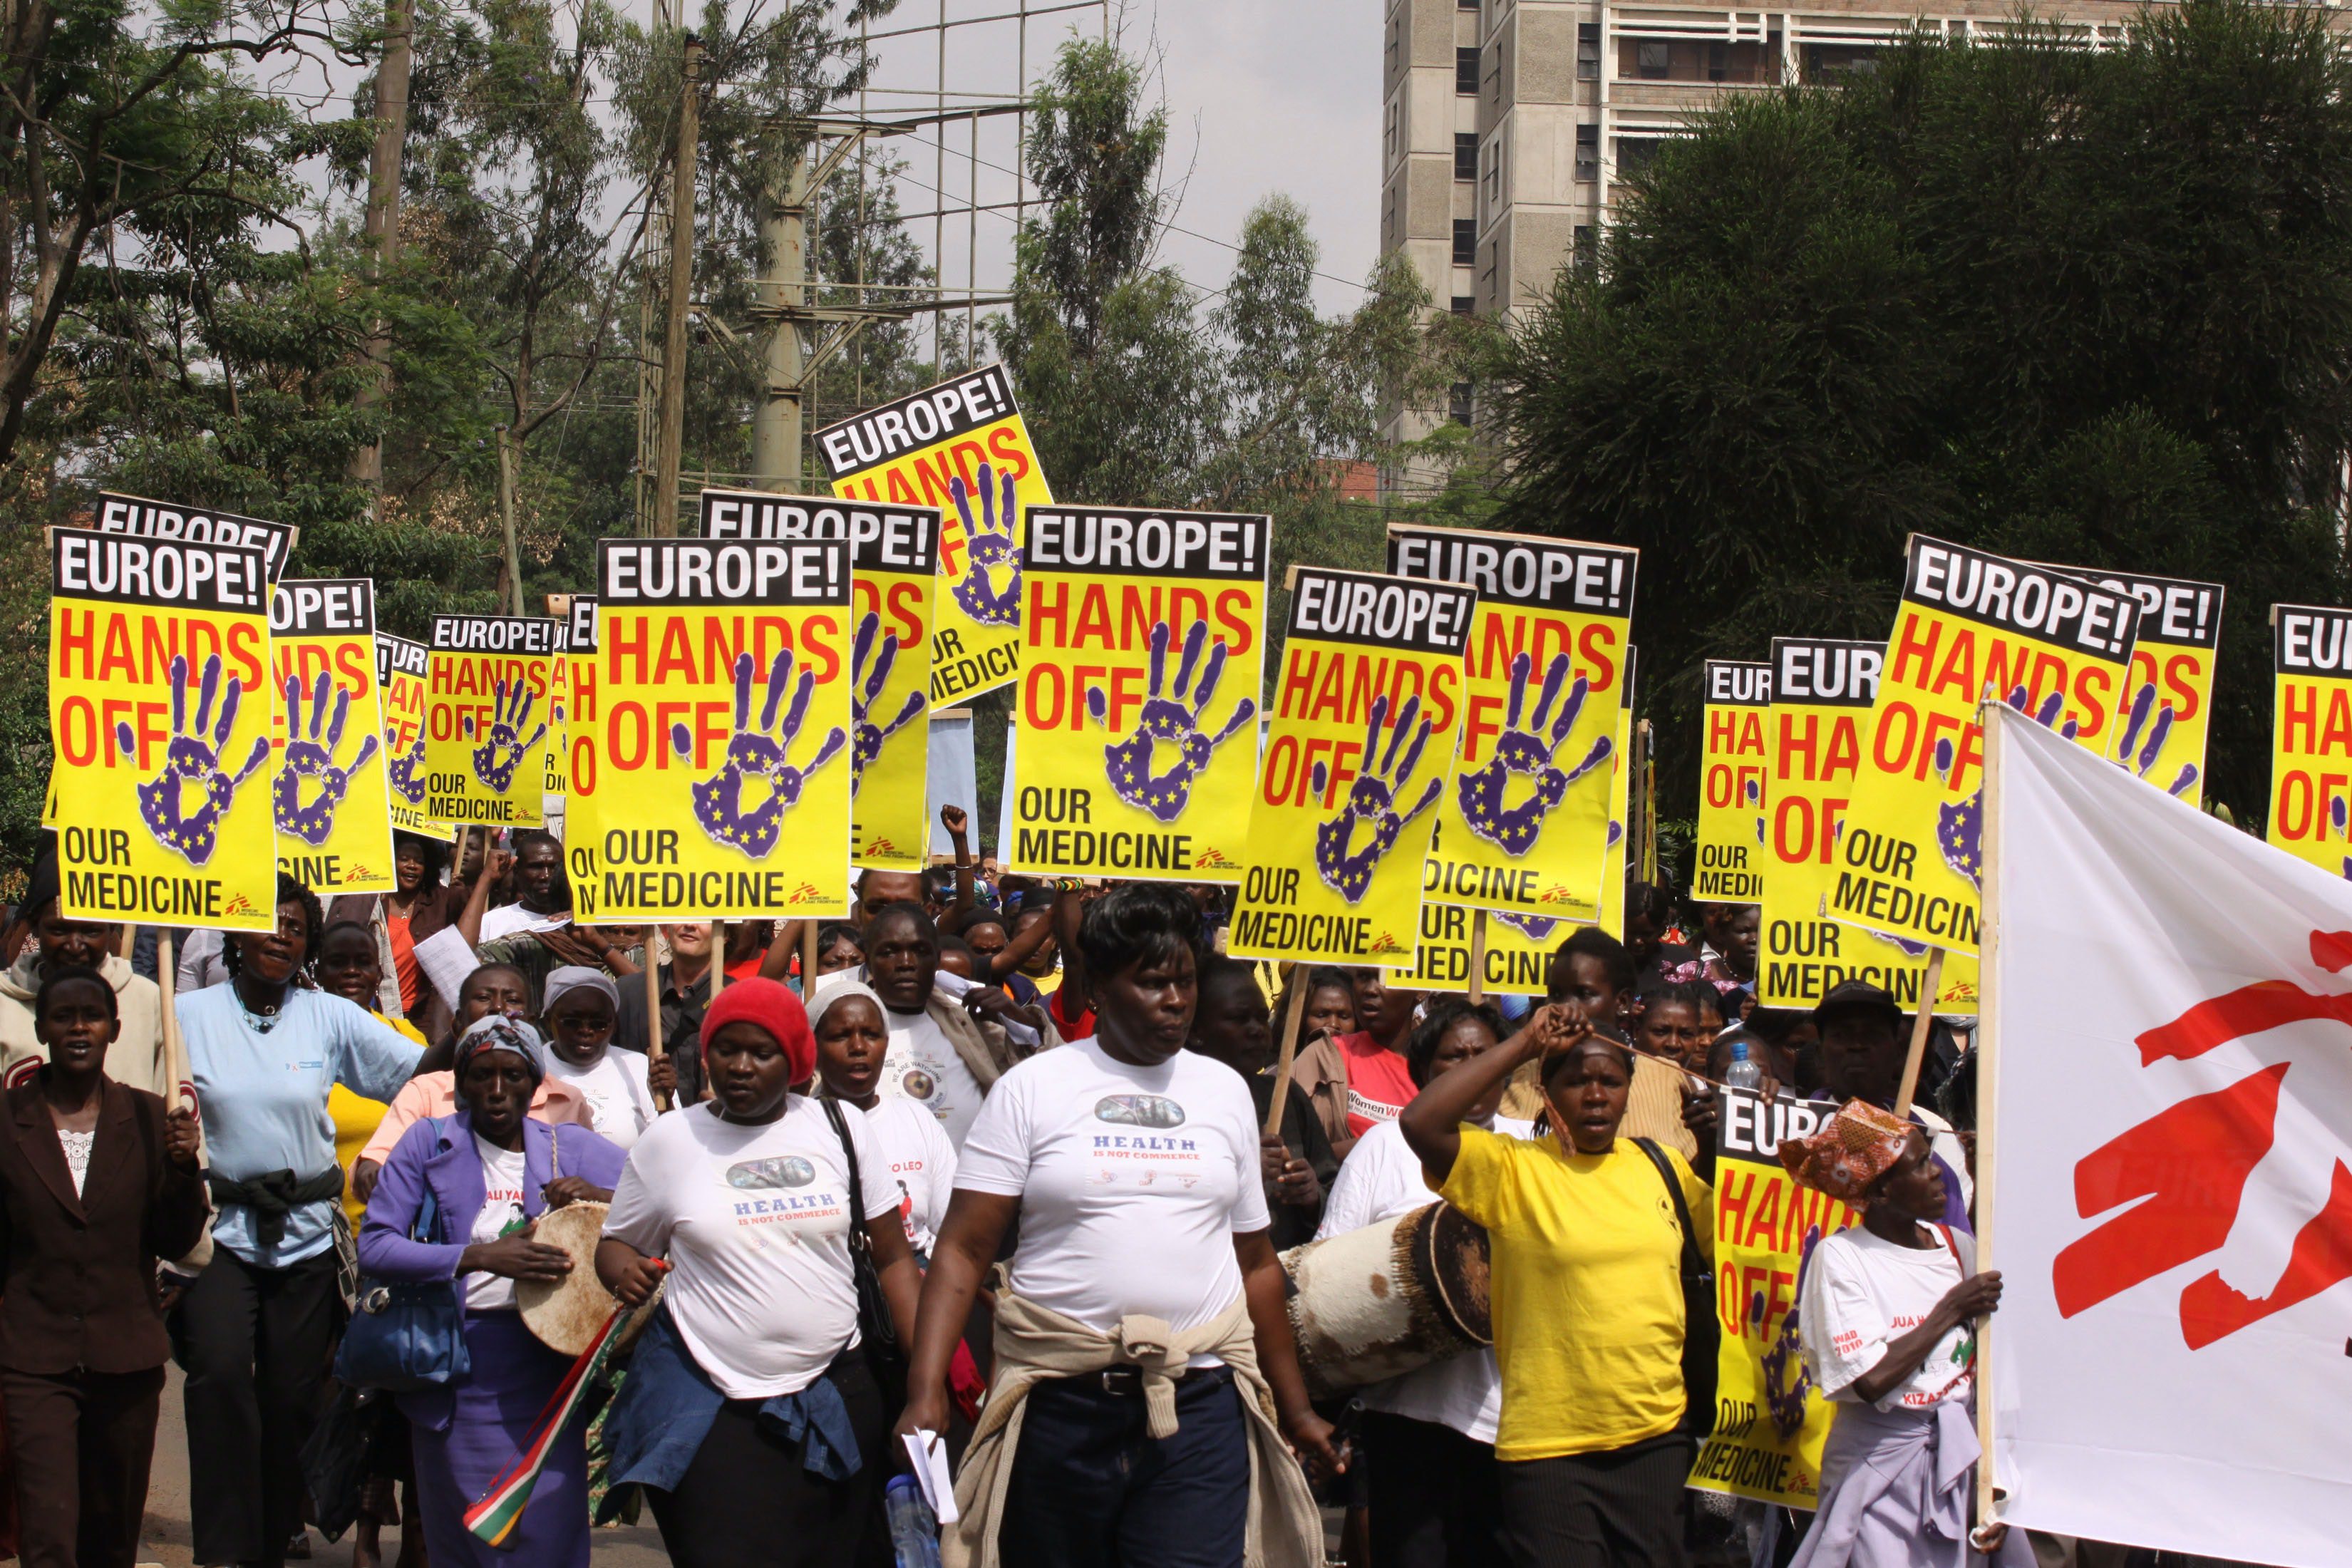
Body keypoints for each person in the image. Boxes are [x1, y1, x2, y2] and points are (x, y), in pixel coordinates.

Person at [895, 883, 1337, 1568]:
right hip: (1061, 1408)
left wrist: (1297, 1407)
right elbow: (962, 1248)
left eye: (1185, 981)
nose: (1176, 1001)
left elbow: (1255, 1264)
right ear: (1098, 988)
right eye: (1153, 982)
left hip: (1200, 1408)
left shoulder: (1224, 1093)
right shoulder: (1033, 1089)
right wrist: (926, 1394)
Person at [596, 979, 921, 1568]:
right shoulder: (670, 1140)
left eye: (762, 1053)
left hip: (840, 1393)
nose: (741, 1068)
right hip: (713, 1406)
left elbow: (895, 1260)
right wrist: (625, 1271)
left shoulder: (841, 1127)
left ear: (795, 1059)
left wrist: (927, 1386)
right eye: (727, 1050)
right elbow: (615, 1243)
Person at [1400, 1009, 1713, 1568]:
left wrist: (1738, 1135)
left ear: (1628, 1091)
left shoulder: (1661, 1166)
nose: (1595, 1095)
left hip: (1656, 1436)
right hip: (1549, 1451)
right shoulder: (1511, 1170)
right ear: (1547, 1092)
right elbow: (1423, 1123)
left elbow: (1730, 1246)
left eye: (1610, 1082)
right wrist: (1524, 1042)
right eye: (1577, 1081)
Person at [175, 873, 424, 1568]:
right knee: (219, 1376)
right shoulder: (187, 1012)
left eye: (294, 926)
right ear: (236, 930)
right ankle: (224, 1549)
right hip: (220, 1231)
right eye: (267, 921)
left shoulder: (330, 1017)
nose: (280, 935)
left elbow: (421, 1077)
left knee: (290, 1400)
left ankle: (274, 1534)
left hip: (309, 1236)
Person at [360, 1016, 626, 1568]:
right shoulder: (427, 1142)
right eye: (482, 1075)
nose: (498, 1091)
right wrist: (478, 1257)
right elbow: (377, 1247)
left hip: (548, 1374)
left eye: (512, 1075)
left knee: (547, 1533)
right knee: (465, 1534)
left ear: (536, 1084)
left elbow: (657, 1201)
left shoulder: (567, 1147)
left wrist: (596, 1194)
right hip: (454, 1369)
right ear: (461, 1081)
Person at [0, 966, 206, 1568]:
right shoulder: (8, 1120)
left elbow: (173, 1237)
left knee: (110, 1540)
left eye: (92, 1016)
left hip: (127, 1359)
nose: (79, 1028)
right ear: (41, 1028)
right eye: (63, 1017)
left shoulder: (151, 1118)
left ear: (115, 1029)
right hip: (36, 1360)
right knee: (49, 1536)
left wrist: (182, 1171)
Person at [1318, 998, 1534, 1568]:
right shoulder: (1384, 1148)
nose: (1468, 1069)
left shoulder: (1534, 1146)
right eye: (1451, 1058)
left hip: (1518, 1421)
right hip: (1408, 1416)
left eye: (1481, 1056)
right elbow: (1327, 1272)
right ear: (1423, 1072)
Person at [1780, 1103, 2023, 1568]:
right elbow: (1870, 1381)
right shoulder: (1843, 1259)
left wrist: (1997, 1478)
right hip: (1880, 1474)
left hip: (1959, 1464)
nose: (1937, 1175)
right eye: (1920, 1165)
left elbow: (1996, 1370)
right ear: (1884, 1189)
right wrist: (1952, 1308)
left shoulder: (1959, 1248)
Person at [815, 902, 1044, 1150]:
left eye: (920, 951)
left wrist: (1017, 1019)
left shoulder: (969, 1025)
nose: (906, 962)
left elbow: (1041, 1087)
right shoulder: (841, 1034)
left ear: (936, 959)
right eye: (890, 951)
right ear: (869, 961)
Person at [1501, 929, 1699, 1159]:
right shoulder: (1525, 1074)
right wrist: (1523, 1045)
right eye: (1555, 994)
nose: (1564, 1008)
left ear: (1622, 1002)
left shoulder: (1665, 1076)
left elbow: (1689, 1177)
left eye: (1583, 994)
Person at [1187, 956, 1335, 1250]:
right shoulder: (1177, 1105)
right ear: (1196, 1031)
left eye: (1260, 1017)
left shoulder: (1286, 1096)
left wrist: (1311, 1194)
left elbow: (1334, 1190)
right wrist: (1240, 1174)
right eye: (1239, 1019)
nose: (1257, 1030)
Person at [0, 858, 170, 1099]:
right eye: (59, 930)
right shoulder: (4, 1003)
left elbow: (175, 1098)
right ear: (36, 928)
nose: (74, 946)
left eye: (90, 930)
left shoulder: (147, 998)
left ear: (111, 930)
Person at [810, 978, 957, 1257]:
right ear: (814, 1048)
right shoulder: (799, 1127)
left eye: (871, 1035)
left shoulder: (916, 1120)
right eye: (841, 1036)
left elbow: (951, 1223)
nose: (858, 1047)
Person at [1806, 982, 1972, 1227]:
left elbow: (1958, 1249)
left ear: (1897, 1053)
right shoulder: (1782, 1135)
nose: (1857, 1045)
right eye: (1842, 1035)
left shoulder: (1937, 1147)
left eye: (1872, 1035)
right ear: (1820, 1053)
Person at [324, 830, 472, 1030]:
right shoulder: (369, 902)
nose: (412, 865)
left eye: (419, 861)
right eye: (404, 859)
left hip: (418, 1020)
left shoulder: (440, 902)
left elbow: (467, 930)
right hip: (370, 1013)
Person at [1291, 966, 1424, 1160]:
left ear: (1421, 991)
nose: (1370, 989)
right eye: (1363, 976)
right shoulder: (1323, 1056)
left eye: (1386, 977)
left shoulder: (1439, 1068)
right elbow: (1284, 1144)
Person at [540, 966, 665, 1150]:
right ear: (548, 1020)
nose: (585, 1031)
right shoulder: (531, 1067)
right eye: (572, 1022)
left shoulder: (639, 1068)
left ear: (614, 1024)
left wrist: (666, 1103)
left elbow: (668, 1146)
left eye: (599, 1024)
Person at [1631, 981, 1723, 1076]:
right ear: (1637, 1032)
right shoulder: (1622, 1085)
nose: (1673, 1044)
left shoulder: (1701, 1088)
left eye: (1686, 1034)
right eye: (1661, 1032)